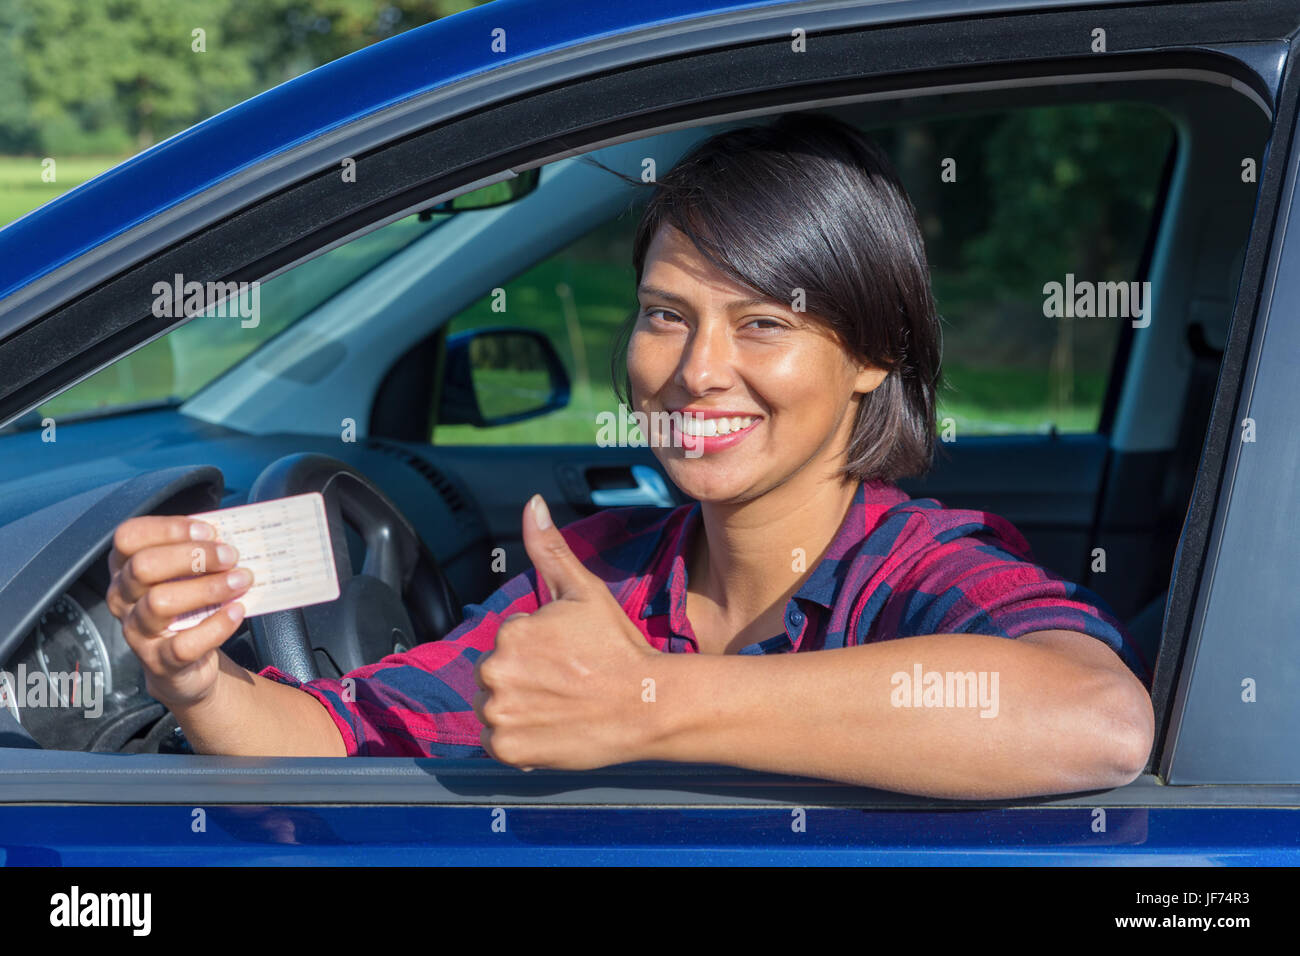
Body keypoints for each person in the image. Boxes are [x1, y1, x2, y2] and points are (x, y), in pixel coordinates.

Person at [105, 111, 1154, 799]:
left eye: (761, 325)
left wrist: (645, 701)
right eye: (664, 315)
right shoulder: (601, 571)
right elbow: (330, 743)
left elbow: (1095, 717)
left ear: (875, 354)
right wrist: (194, 676)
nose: (696, 369)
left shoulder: (917, 569)